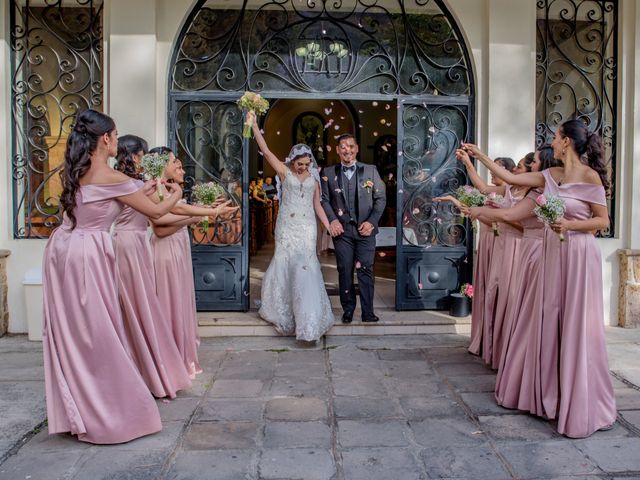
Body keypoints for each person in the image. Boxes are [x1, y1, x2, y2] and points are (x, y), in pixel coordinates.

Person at [464, 119, 616, 438]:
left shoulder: (590, 177)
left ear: (567, 143)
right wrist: (480, 156)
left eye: (556, 137)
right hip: (551, 254)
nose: (553, 141)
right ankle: (547, 394)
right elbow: (506, 177)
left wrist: (569, 225)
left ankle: (577, 400)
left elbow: (602, 221)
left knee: (575, 323)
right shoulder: (550, 176)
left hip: (578, 256)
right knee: (547, 317)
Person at [42, 110, 183, 444]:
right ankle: (108, 409)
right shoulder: (112, 176)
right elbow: (157, 213)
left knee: (74, 333)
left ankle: (78, 404)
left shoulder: (77, 170)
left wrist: (143, 187)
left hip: (63, 248)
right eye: (116, 135)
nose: (118, 141)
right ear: (104, 139)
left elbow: (118, 198)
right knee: (100, 332)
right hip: (87, 254)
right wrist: (175, 191)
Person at [464, 147, 561, 412]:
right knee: (508, 302)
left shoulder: (540, 193)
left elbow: (514, 219)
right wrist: (473, 161)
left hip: (528, 250)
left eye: (525, 165)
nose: (521, 169)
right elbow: (486, 188)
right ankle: (501, 354)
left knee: (521, 306)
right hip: (516, 248)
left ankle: (520, 367)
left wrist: (484, 213)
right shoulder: (523, 191)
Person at [112, 135, 193, 398]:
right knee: (138, 307)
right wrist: (178, 194)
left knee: (140, 307)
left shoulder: (133, 183)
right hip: (128, 245)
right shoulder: (129, 184)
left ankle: (147, 362)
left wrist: (204, 211)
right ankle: (143, 366)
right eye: (144, 155)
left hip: (134, 244)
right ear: (136, 156)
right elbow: (159, 216)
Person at [149, 147, 238, 375]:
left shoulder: (168, 189)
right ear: (161, 165)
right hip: (164, 252)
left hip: (177, 247)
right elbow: (161, 227)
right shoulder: (155, 189)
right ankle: (168, 360)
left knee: (178, 299)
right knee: (168, 301)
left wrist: (207, 210)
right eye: (174, 162)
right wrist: (206, 214)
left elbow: (179, 211)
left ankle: (178, 355)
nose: (179, 167)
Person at [247, 111, 335, 342]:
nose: (303, 168)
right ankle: (282, 310)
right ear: (292, 161)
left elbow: (317, 205)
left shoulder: (314, 178)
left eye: (306, 164)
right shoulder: (284, 172)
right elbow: (266, 151)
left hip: (307, 227)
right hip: (287, 226)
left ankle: (308, 318)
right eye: (299, 164)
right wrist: (255, 126)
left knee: (306, 267)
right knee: (284, 263)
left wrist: (327, 226)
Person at [321, 134, 386, 323]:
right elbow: (324, 199)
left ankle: (368, 312)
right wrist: (332, 220)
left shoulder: (371, 171)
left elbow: (380, 198)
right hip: (342, 231)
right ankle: (348, 310)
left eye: (350, 146)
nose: (347, 150)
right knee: (344, 269)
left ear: (356, 148)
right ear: (337, 150)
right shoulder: (329, 172)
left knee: (366, 269)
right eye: (343, 146)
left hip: (365, 230)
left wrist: (372, 222)